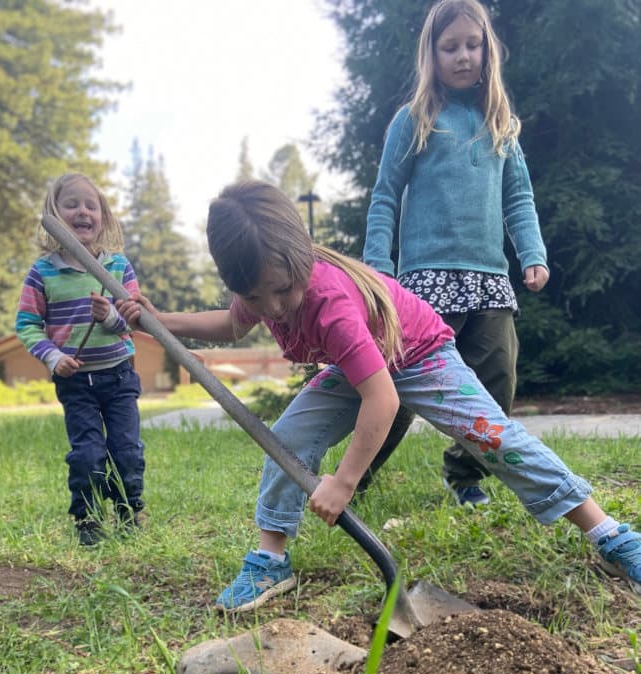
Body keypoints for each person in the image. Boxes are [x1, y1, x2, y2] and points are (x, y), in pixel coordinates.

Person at [116, 179, 640, 609]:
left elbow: (384, 400)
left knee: (496, 437)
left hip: (422, 356)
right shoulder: (262, 284)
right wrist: (158, 320)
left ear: (300, 259)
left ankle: (608, 534)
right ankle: (270, 560)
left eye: (282, 291)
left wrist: (344, 482)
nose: (273, 308)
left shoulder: (328, 302)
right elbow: (232, 324)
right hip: (360, 364)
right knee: (288, 437)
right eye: (257, 295)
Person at [362, 0, 549, 507]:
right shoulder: (415, 119)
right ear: (432, 54)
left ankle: (465, 475)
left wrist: (531, 251)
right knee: (397, 388)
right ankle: (356, 475)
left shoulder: (500, 124)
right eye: (450, 47)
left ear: (487, 50)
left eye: (473, 44)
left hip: (489, 279)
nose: (463, 56)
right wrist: (378, 268)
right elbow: (384, 196)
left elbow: (519, 198)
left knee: (496, 382)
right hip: (424, 284)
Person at [16, 173, 145, 546]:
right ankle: (87, 519)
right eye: (71, 204)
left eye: (91, 205)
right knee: (87, 454)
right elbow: (26, 324)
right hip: (76, 383)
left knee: (127, 449)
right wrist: (53, 356)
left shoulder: (118, 267)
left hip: (119, 375)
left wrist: (109, 317)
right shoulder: (43, 272)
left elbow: (135, 322)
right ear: (54, 214)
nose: (82, 212)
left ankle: (128, 512)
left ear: (103, 216)